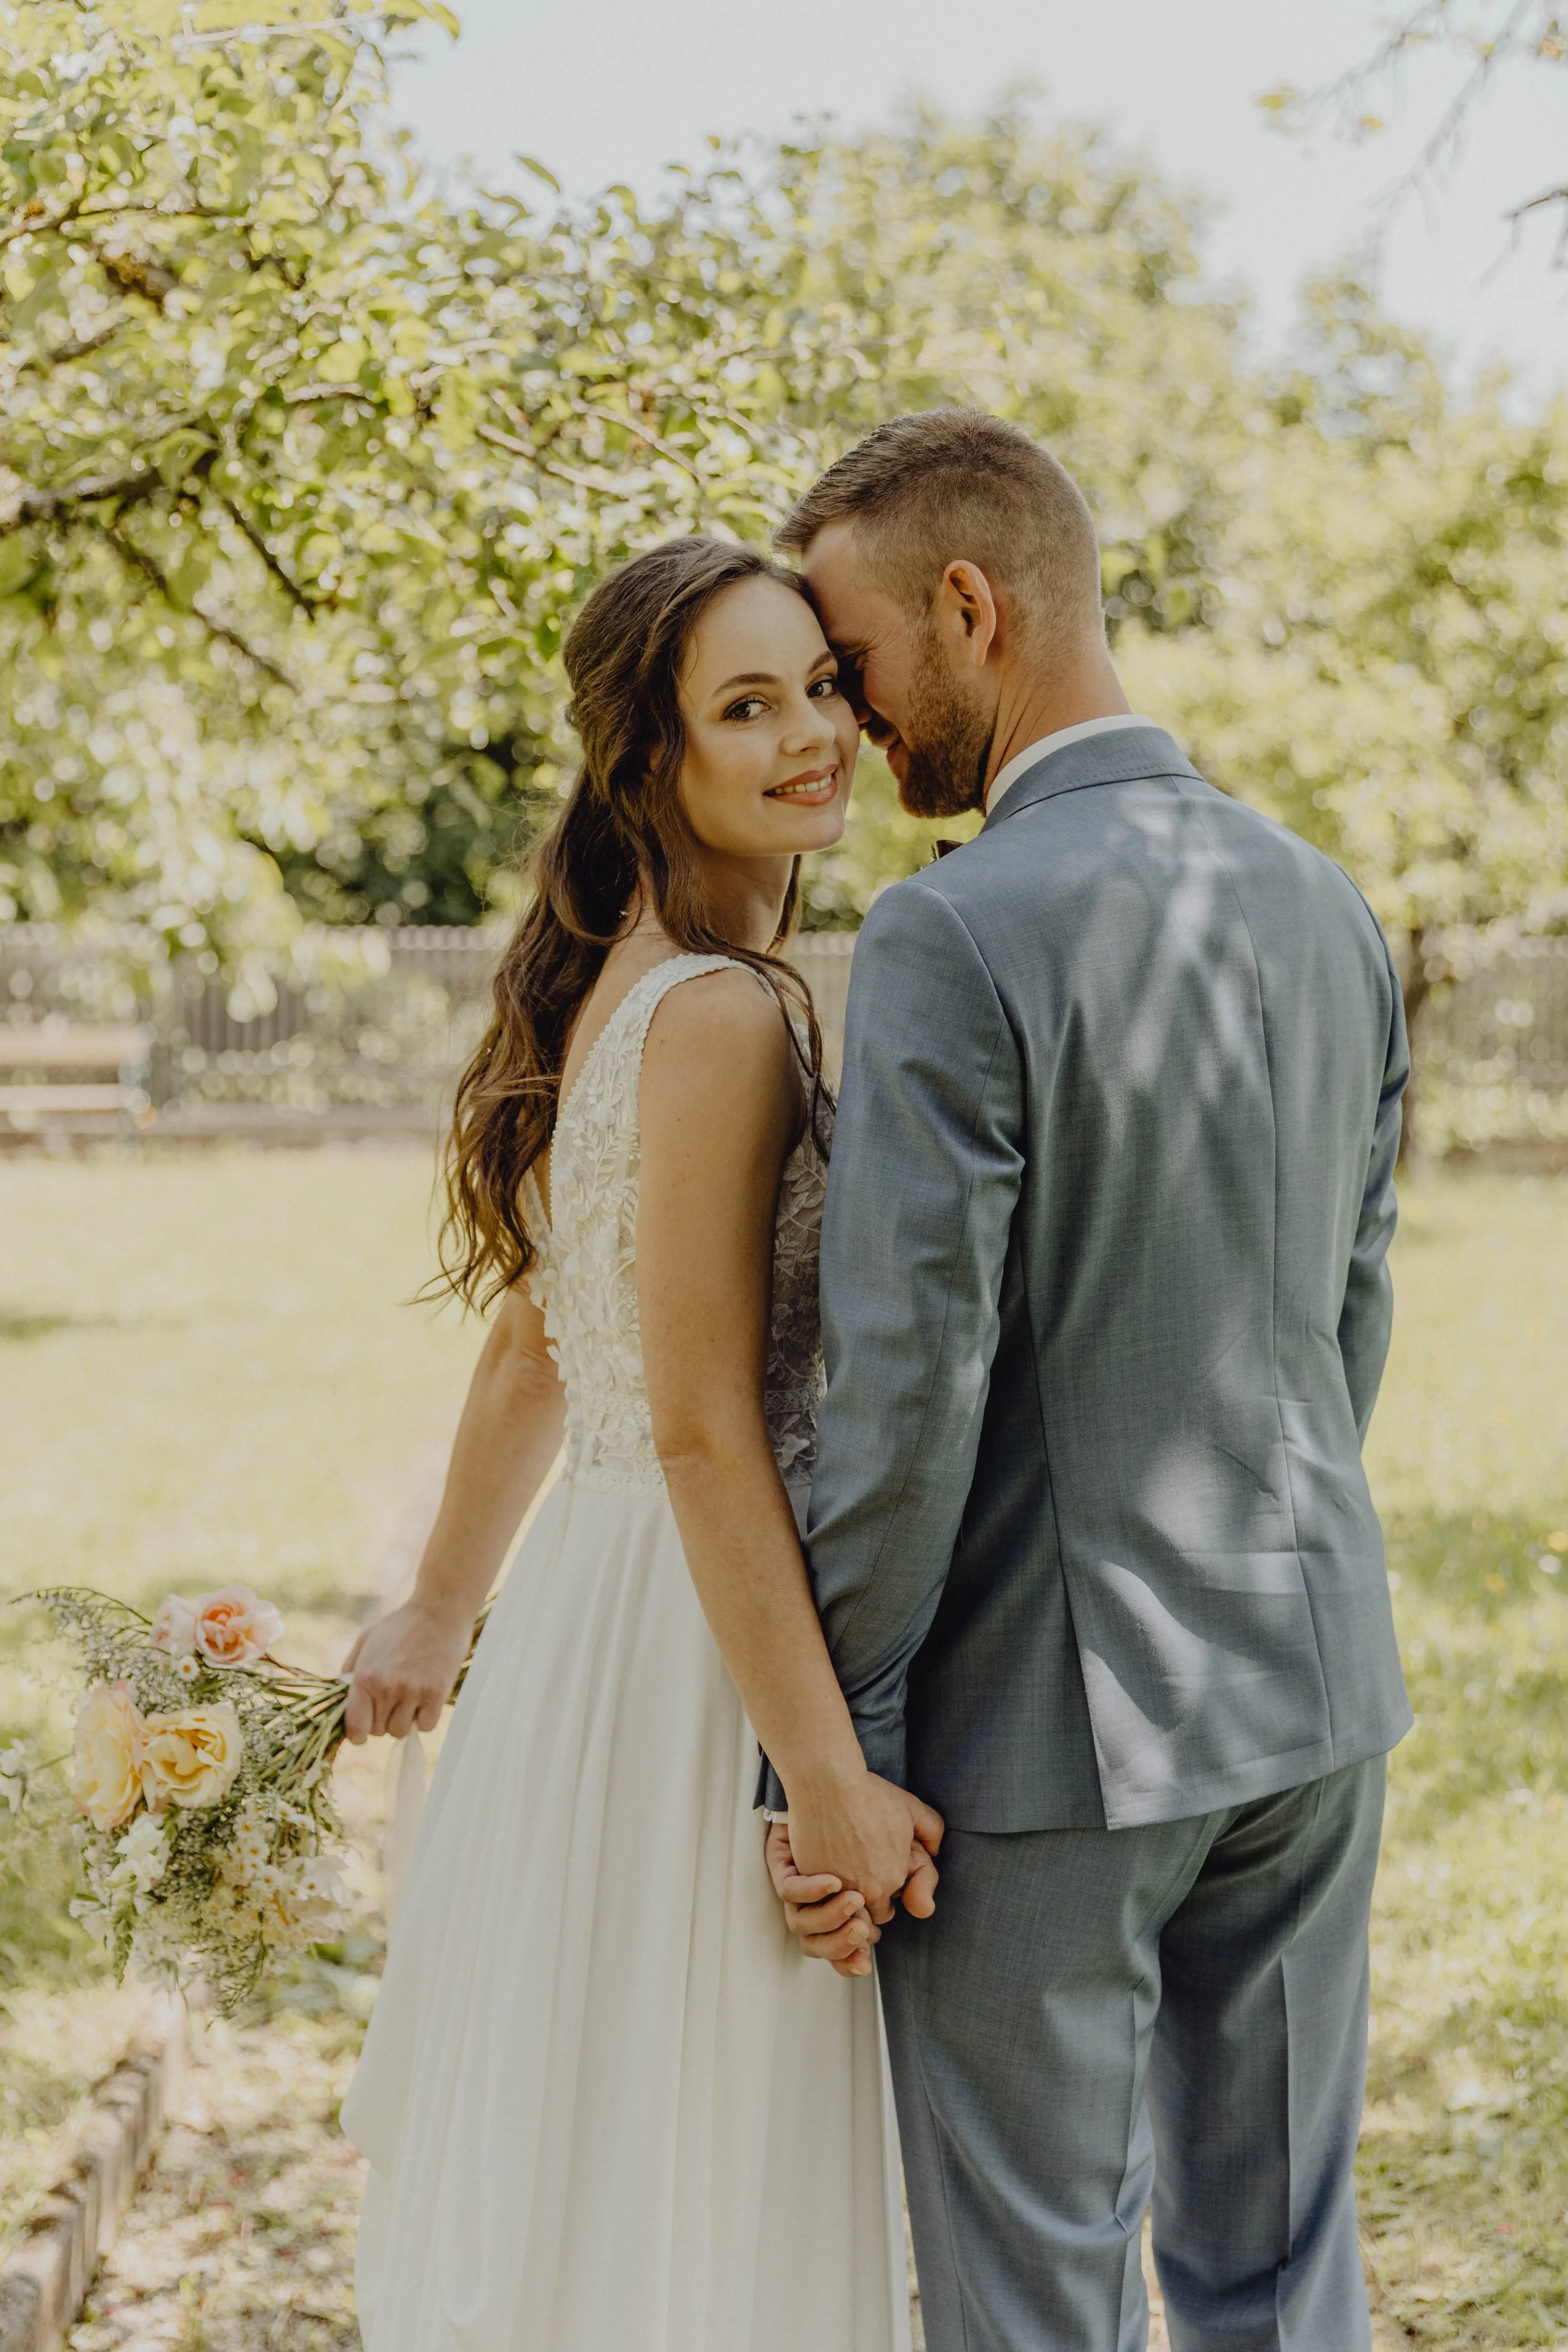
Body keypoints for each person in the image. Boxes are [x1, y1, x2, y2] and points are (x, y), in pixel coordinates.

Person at [764, 407, 1413, 2352]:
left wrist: (837, 1749)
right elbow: (1347, 1314)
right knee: (1279, 2279)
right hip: (1308, 1685)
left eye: (852, 662)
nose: (849, 719)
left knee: (1034, 2300)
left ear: (968, 606)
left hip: (1040, 1743)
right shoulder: (1322, 901)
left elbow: (903, 1391)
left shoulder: (952, 928)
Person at [337, 536, 938, 2352]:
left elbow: (538, 1342)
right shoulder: (724, 1013)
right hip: (692, 1643)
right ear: (650, 757)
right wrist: (820, 1775)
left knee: (594, 2143)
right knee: (700, 2150)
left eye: (819, 687)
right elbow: (693, 1424)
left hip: (578, 1628)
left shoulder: (620, 975)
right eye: (745, 707)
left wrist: (440, 1608)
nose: (810, 734)